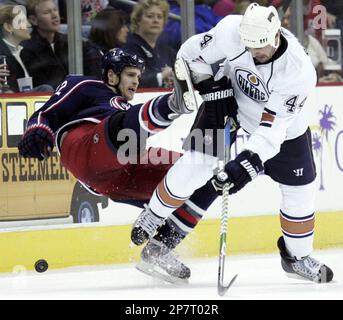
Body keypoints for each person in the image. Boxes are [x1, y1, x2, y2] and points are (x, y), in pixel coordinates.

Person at [130, 3, 334, 284]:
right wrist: (210, 87)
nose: (254, 53)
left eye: (261, 46)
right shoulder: (231, 31)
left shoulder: (298, 72)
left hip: (281, 129)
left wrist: (246, 164)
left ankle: (296, 257)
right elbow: (190, 56)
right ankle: (153, 216)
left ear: (277, 35)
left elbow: (272, 130)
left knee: (300, 190)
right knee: (197, 164)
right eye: (249, 46)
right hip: (227, 103)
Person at [17, 48, 198, 279]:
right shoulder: (85, 85)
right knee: (124, 132)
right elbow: (46, 113)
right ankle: (174, 104)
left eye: (139, 77)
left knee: (193, 176)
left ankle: (159, 250)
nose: (136, 81)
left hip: (121, 169)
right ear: (111, 76)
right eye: (131, 75)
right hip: (84, 147)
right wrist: (37, 129)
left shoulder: (125, 108)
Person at [20, 0, 97, 89]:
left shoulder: (71, 42)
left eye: (55, 10)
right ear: (33, 20)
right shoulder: (26, 49)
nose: (54, 15)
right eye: (47, 12)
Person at [0, 4, 53, 92]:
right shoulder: (1, 55)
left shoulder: (28, 53)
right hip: (11, 103)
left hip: (30, 101)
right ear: (8, 27)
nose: (28, 25)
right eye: (22, 21)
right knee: (46, 89)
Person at [124, 0, 176, 88]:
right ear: (138, 20)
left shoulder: (168, 52)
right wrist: (161, 77)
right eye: (150, 16)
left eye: (159, 17)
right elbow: (129, 81)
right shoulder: (129, 49)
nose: (155, 20)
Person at [86, 8, 129, 79]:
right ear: (111, 29)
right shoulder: (94, 57)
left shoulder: (116, 53)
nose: (127, 30)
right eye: (122, 26)